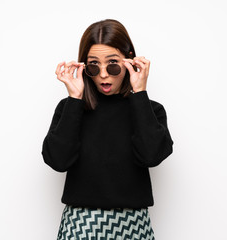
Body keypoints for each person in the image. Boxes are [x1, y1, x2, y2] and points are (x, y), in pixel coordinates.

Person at [41, 19, 174, 240]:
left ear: (129, 60)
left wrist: (139, 92)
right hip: (80, 223)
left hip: (133, 224)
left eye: (112, 64)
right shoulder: (70, 108)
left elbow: (152, 156)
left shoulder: (149, 110)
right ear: (84, 65)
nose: (103, 74)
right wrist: (75, 99)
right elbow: (57, 161)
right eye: (94, 65)